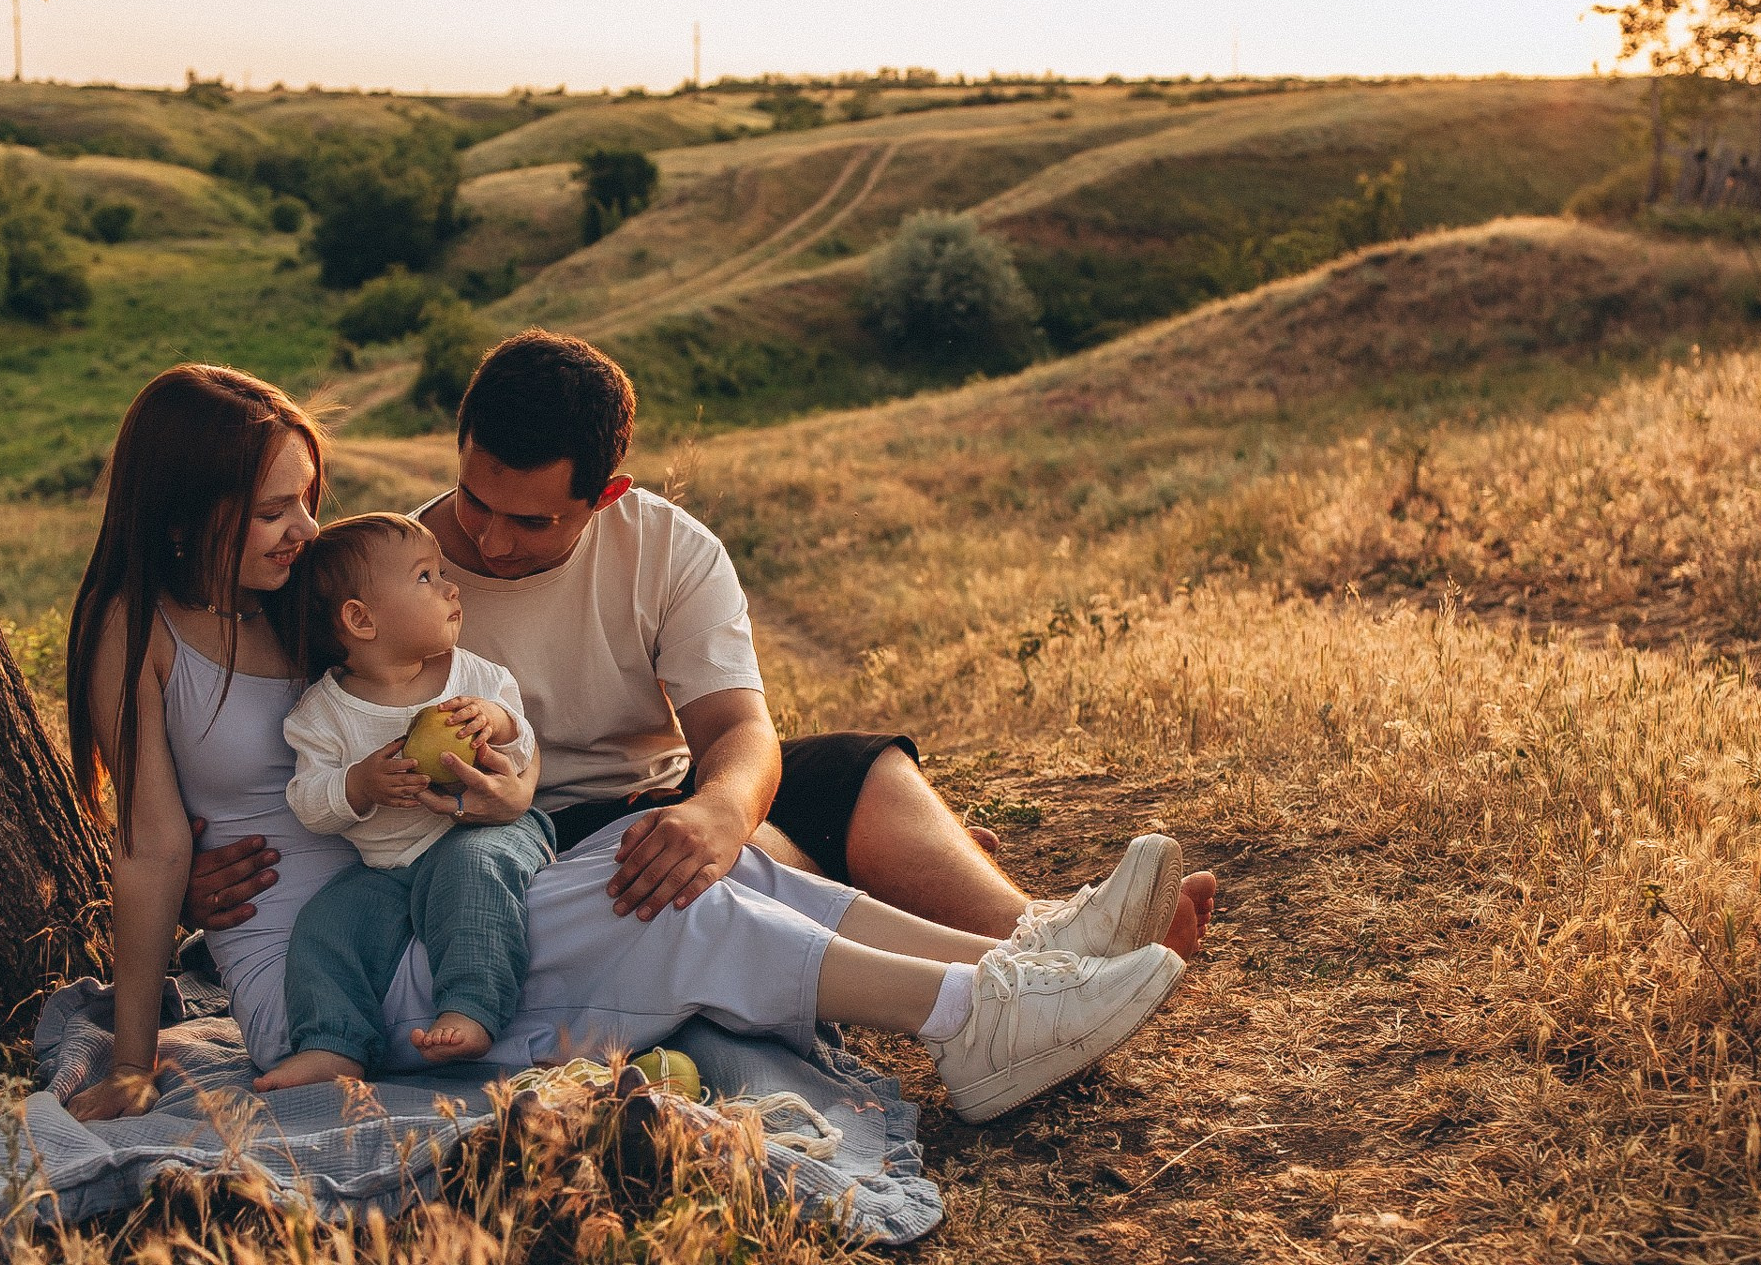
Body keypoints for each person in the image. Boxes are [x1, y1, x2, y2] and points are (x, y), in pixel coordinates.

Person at [62, 363, 1190, 1128]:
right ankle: (972, 1017)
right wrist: (133, 1056)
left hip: (432, 893)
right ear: (185, 513)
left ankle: (1017, 972)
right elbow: (153, 849)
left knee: (696, 855)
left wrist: (501, 778)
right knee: (666, 897)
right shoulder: (139, 627)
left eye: (309, 501)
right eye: (275, 511)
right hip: (331, 982)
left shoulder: (313, 594)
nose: (306, 530)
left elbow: (425, 710)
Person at [182, 331, 1215, 951]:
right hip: (525, 835)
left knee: (860, 770)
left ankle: (1043, 930)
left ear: (607, 496)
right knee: (724, 854)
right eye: (474, 498)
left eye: (532, 520)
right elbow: (296, 745)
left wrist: (719, 809)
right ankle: (1014, 954)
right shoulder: (387, 578)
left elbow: (737, 730)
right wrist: (197, 873)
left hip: (660, 795)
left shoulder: (668, 547)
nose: (487, 541)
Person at [262, 512, 553, 1086]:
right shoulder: (321, 715)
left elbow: (522, 750)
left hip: (484, 832)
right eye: (426, 576)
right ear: (360, 619)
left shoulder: (474, 680)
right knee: (325, 926)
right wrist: (359, 784)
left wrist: (496, 723)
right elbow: (309, 803)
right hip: (388, 866)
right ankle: (333, 1042)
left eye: (442, 572)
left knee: (473, 876)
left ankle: (471, 1006)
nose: (451, 587)